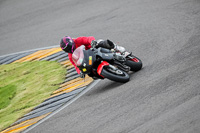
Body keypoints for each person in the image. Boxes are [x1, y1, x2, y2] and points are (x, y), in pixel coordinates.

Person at [60, 36, 125, 78]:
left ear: (71, 42)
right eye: (66, 49)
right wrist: (80, 72)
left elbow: (88, 39)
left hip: (93, 49)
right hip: (88, 59)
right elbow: (75, 65)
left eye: (69, 47)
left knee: (100, 42)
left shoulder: (78, 40)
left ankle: (116, 48)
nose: (69, 49)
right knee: (89, 72)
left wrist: (92, 42)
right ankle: (105, 72)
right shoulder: (70, 55)